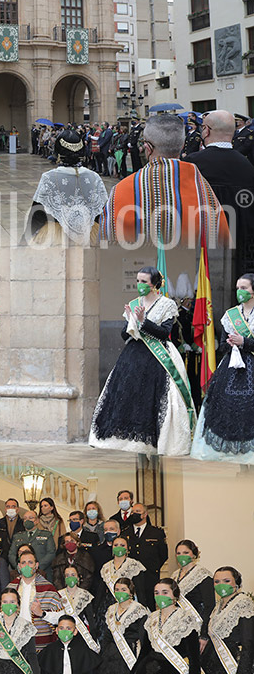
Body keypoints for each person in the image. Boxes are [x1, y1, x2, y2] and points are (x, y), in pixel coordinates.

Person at [89, 267, 194, 456]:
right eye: (138, 281)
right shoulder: (134, 303)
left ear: (154, 284)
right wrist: (131, 320)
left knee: (154, 398)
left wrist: (143, 321)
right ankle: (133, 443)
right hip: (134, 356)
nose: (139, 285)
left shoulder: (167, 304)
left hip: (158, 358)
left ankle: (156, 443)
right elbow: (124, 335)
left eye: (144, 282)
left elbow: (164, 333)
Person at [99, 113, 230, 247]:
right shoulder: (203, 190)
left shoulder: (122, 190)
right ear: (182, 144)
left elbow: (108, 243)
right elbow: (221, 241)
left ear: (148, 148)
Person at [191, 273, 254, 462]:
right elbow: (222, 346)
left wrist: (245, 341)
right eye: (238, 288)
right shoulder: (231, 315)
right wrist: (231, 342)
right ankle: (238, 459)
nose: (240, 292)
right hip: (231, 369)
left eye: (244, 288)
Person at [186, 111, 254, 277]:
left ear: (206, 130)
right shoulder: (248, 167)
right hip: (242, 256)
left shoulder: (192, 165)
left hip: (203, 254)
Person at [29, 126, 107, 245]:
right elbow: (102, 212)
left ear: (58, 153)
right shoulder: (94, 177)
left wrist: (25, 241)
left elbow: (37, 214)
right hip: (89, 235)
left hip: (55, 238)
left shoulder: (49, 177)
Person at [202, 566, 254, 674]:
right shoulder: (218, 606)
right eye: (217, 581)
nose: (220, 585)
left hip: (233, 666)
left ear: (236, 583)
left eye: (226, 581)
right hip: (214, 669)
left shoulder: (243, 602)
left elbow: (249, 642)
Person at [99, 577, 149, 674]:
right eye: (117, 589)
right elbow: (106, 637)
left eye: (124, 589)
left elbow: (143, 639)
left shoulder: (139, 610)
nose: (120, 592)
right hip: (109, 660)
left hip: (128, 659)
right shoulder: (111, 610)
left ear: (131, 592)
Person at [7, 551, 62, 652]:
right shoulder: (11, 588)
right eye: (23, 563)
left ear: (36, 565)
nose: (27, 566)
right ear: (19, 566)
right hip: (16, 641)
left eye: (30, 562)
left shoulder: (48, 588)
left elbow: (61, 617)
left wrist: (42, 613)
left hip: (41, 644)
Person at [121, 504, 169, 609]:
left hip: (149, 577)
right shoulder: (125, 533)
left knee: (149, 607)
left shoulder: (157, 533)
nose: (134, 514)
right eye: (132, 512)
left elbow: (163, 555)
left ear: (145, 514)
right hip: (131, 579)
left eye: (138, 511)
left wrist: (153, 567)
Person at [171, 541, 215, 639]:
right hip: (178, 626)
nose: (181, 556)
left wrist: (204, 634)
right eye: (178, 553)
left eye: (186, 553)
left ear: (194, 554)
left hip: (196, 626)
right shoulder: (174, 576)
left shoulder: (203, 575)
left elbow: (210, 605)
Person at [8, 512, 56, 580]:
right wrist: (20, 568)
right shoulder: (17, 536)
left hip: (42, 574)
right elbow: (11, 554)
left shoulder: (46, 535)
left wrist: (36, 567)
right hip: (22, 575)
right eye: (25, 518)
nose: (28, 520)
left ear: (37, 521)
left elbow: (51, 553)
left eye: (31, 518)